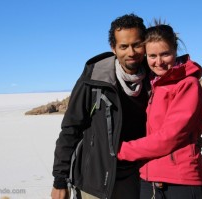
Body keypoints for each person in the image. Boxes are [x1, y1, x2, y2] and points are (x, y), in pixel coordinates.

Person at [51, 13, 150, 199]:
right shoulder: (94, 80)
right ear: (113, 48)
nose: (131, 52)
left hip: (137, 180)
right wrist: (59, 179)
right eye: (123, 46)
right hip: (95, 183)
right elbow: (70, 129)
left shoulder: (153, 81)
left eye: (137, 44)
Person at [117, 20, 202, 199]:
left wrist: (119, 151)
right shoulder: (152, 85)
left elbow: (169, 138)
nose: (158, 62)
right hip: (148, 180)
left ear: (176, 51)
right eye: (152, 56)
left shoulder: (187, 84)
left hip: (180, 183)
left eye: (165, 54)